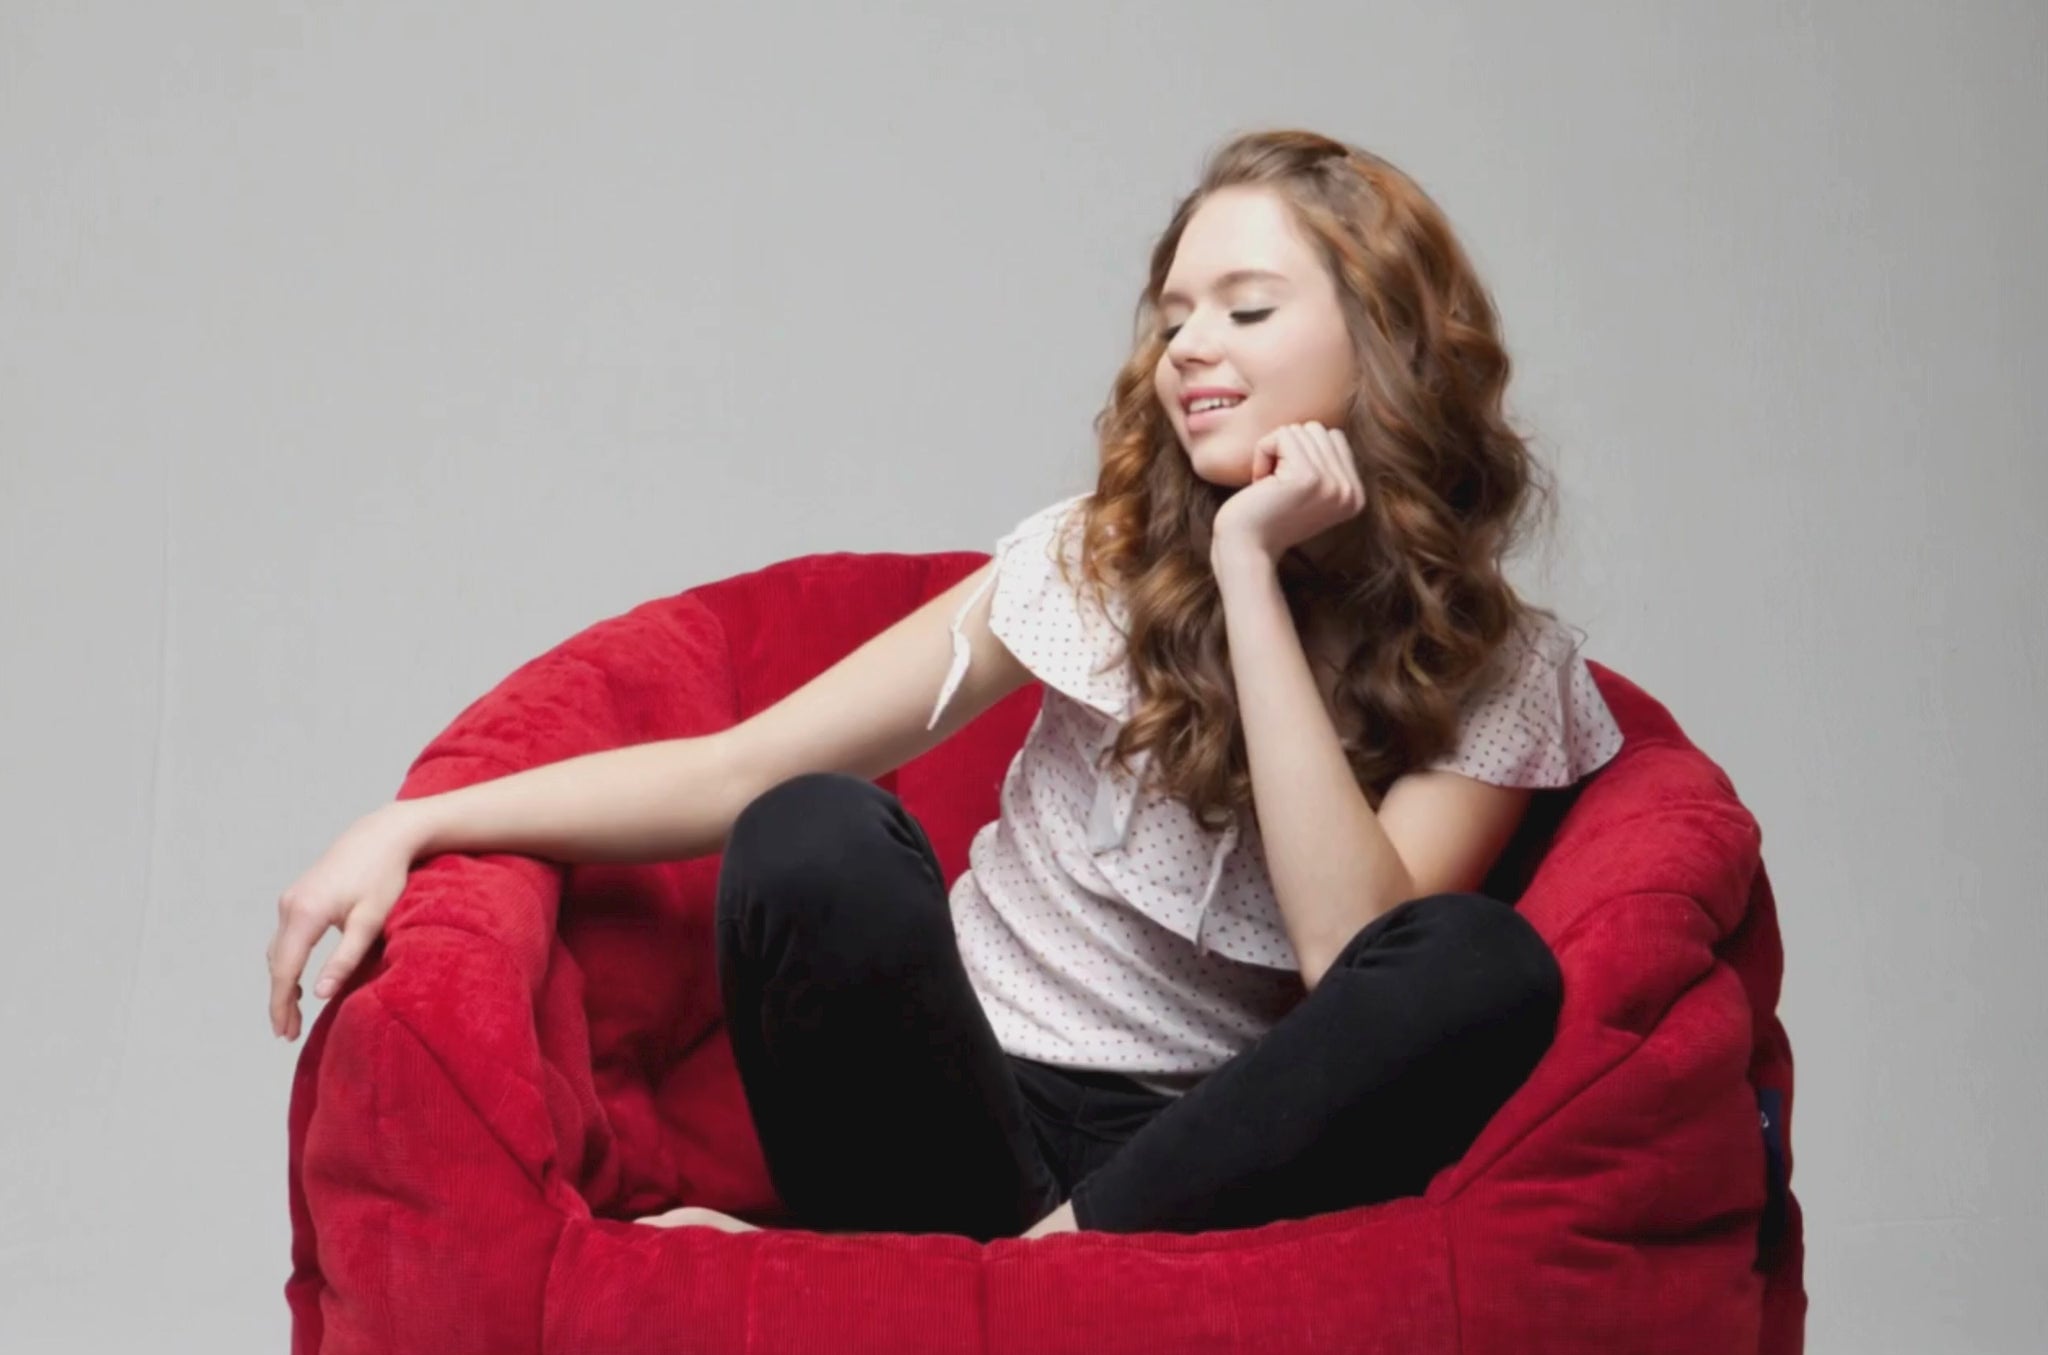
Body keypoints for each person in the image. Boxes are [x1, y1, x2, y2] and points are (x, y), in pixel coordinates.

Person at [265, 127, 1624, 1243]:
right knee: (810, 828)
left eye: (1246, 309)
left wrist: (1252, 573)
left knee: (1480, 963)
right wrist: (421, 821)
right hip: (956, 1118)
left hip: (1205, 1173)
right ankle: (997, 1279)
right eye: (1173, 318)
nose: (1186, 349)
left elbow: (1355, 959)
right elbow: (742, 768)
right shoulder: (1092, 563)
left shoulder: (1503, 668)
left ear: (1384, 343)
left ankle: (995, 1281)